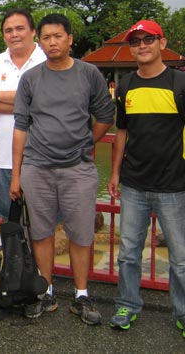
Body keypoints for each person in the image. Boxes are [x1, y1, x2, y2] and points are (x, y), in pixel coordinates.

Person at [10, 13, 114, 325]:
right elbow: (20, 128)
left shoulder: (89, 74)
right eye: (46, 37)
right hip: (37, 168)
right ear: (39, 42)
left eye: (58, 36)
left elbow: (105, 116)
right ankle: (47, 290)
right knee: (40, 233)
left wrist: (85, 142)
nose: (52, 42)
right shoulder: (30, 79)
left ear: (70, 39)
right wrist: (16, 174)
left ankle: (81, 295)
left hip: (77, 169)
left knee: (80, 234)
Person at [107, 20, 185, 334]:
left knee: (180, 259)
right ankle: (127, 304)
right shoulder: (125, 85)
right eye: (136, 41)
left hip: (174, 185)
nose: (142, 45)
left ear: (162, 44)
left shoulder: (179, 83)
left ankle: (182, 311)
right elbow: (121, 132)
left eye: (148, 39)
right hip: (134, 183)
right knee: (128, 252)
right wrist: (114, 172)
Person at [0, 9, 46, 220]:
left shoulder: (47, 59)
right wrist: (32, 103)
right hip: (3, 157)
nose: (14, 34)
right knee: (5, 220)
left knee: (43, 223)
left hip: (44, 157)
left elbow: (48, 103)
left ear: (33, 31)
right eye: (8, 30)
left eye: (20, 28)